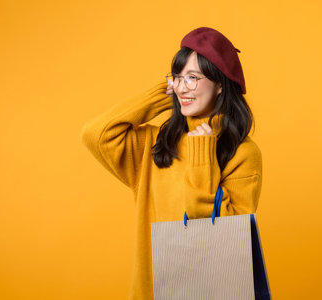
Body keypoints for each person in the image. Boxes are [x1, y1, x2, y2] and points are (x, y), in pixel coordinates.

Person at [80, 27, 262, 299]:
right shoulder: (156, 144)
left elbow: (227, 236)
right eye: (177, 77)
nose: (182, 87)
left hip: (210, 292)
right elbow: (96, 134)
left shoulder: (242, 153)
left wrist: (203, 159)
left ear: (220, 84)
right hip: (150, 293)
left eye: (192, 77)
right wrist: (158, 96)